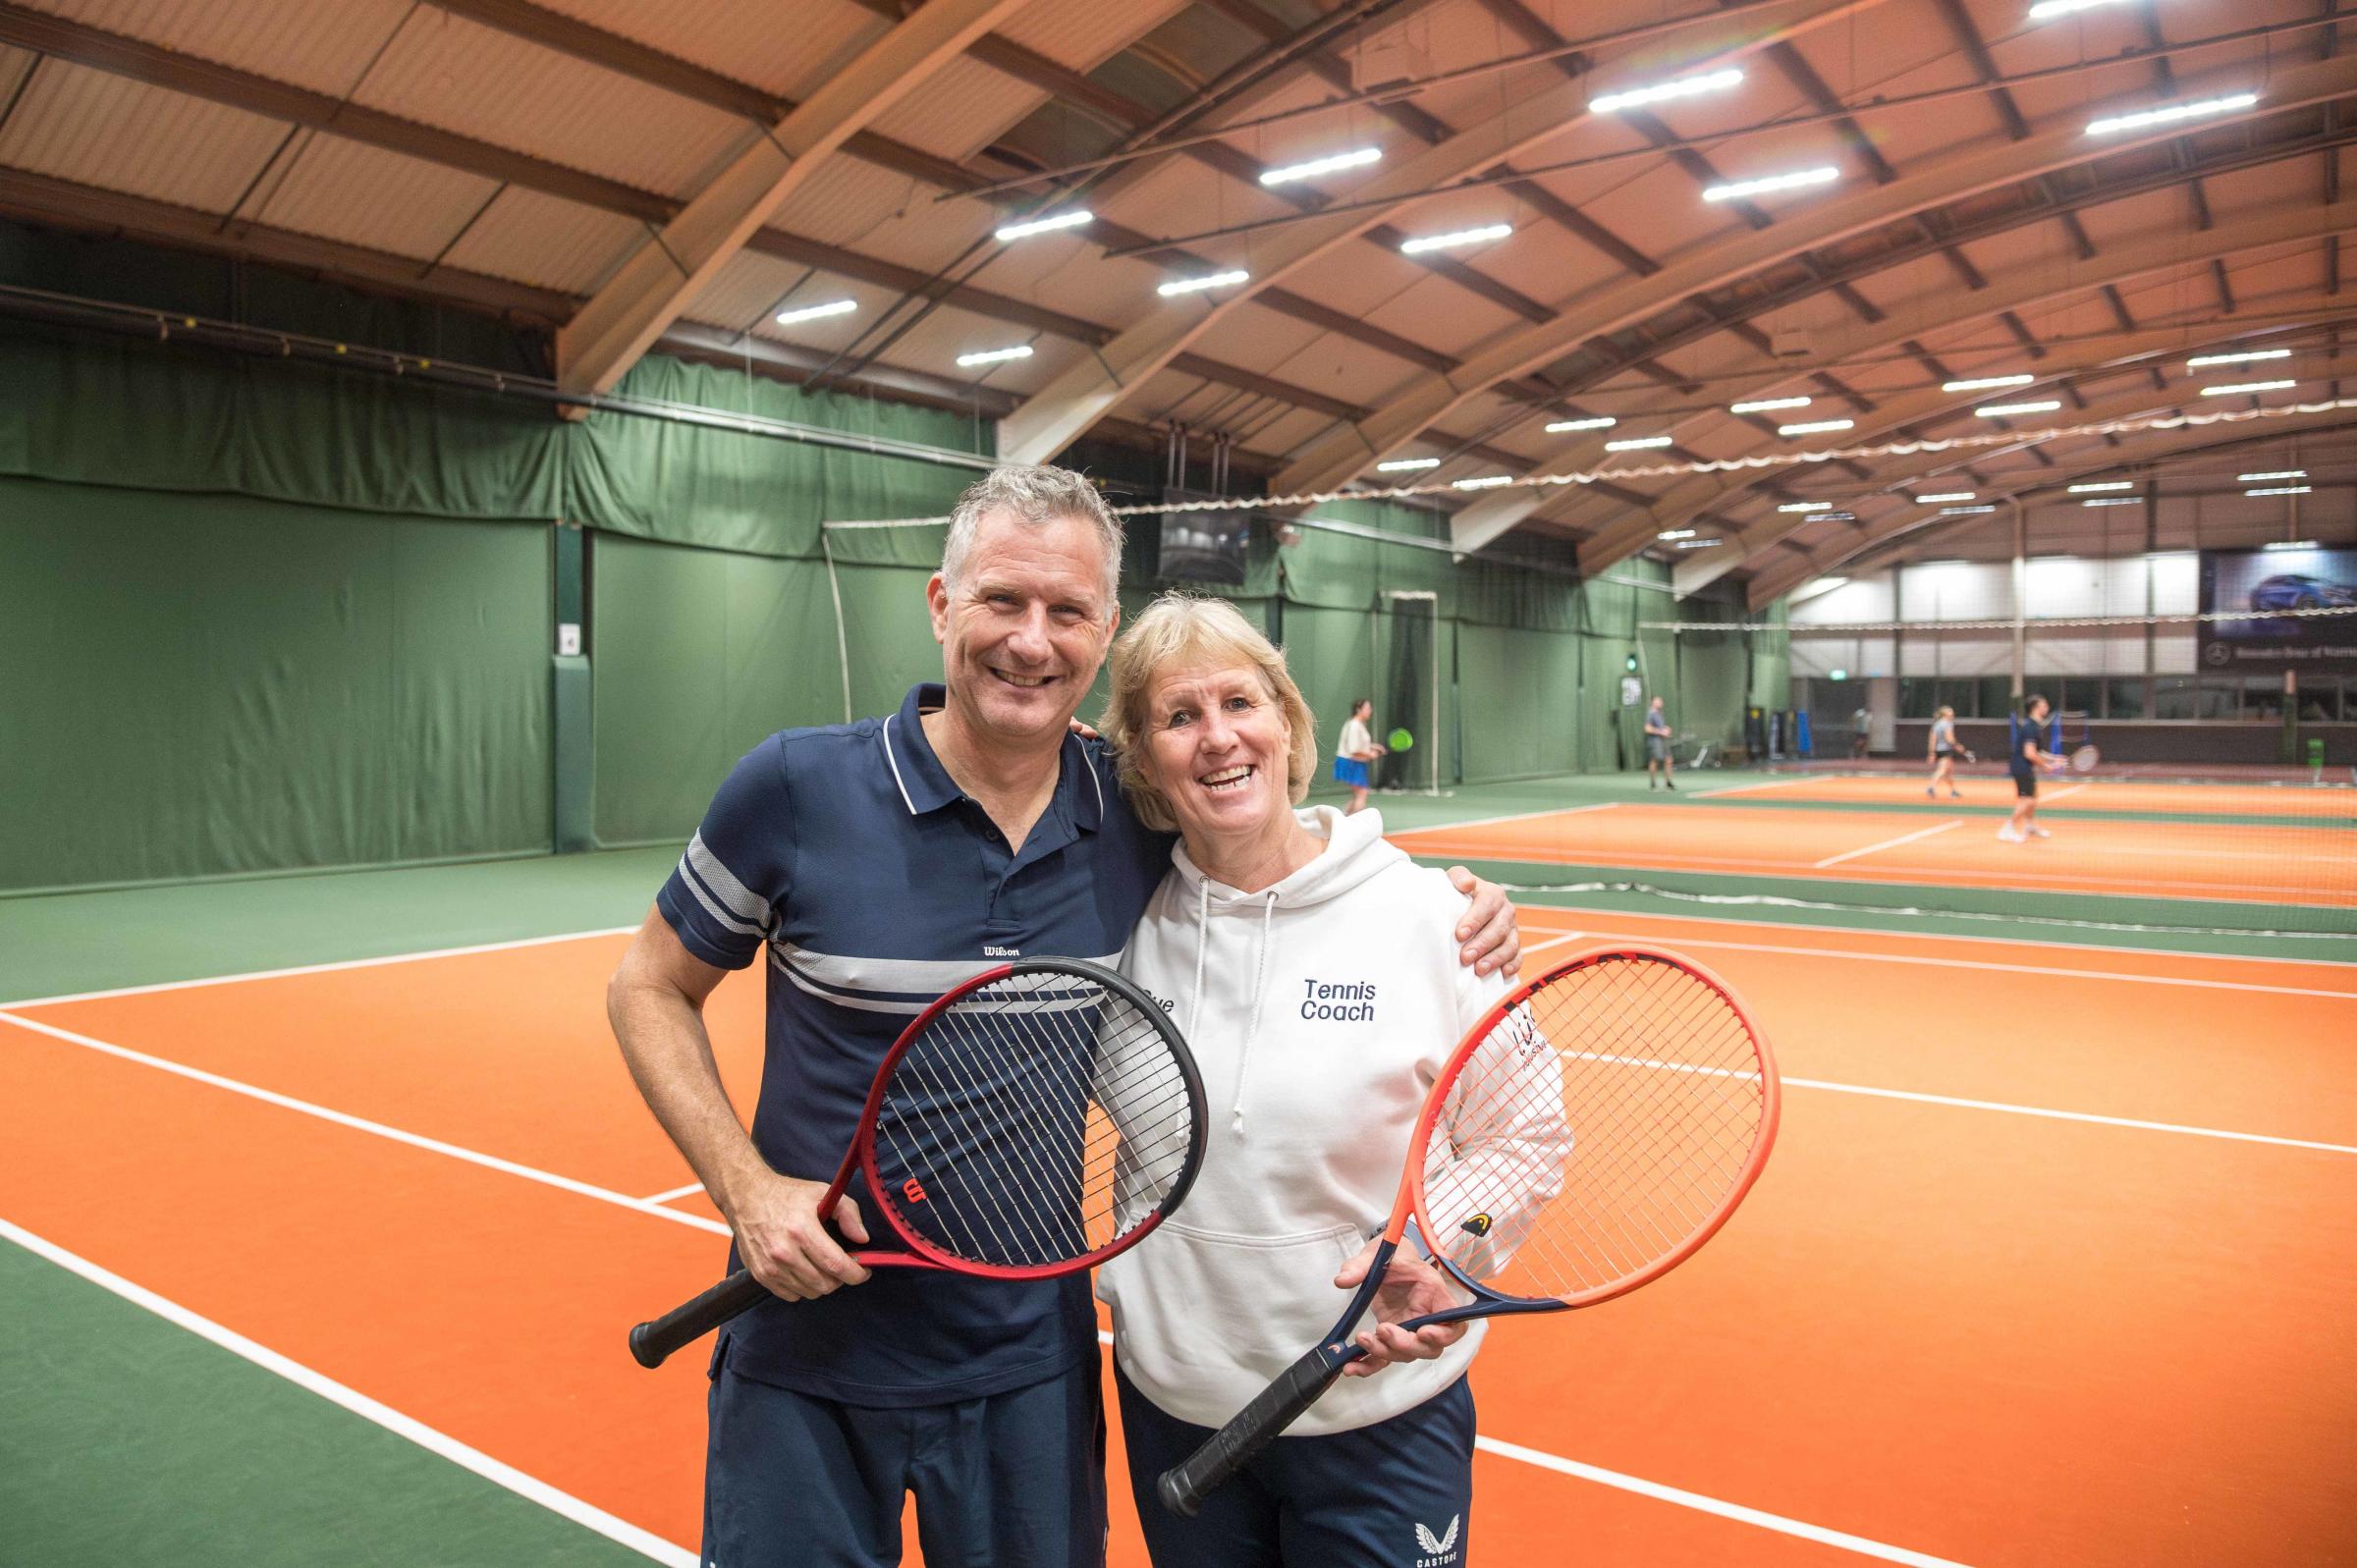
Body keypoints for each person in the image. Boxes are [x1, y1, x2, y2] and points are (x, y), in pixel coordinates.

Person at [604, 465, 1522, 1568]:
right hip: (806, 1356)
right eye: (1002, 600)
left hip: (1025, 1375)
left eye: (1067, 611)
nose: (1031, 641)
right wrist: (746, 1188)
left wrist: (1437, 902)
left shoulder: (1126, 816)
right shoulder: (794, 787)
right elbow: (647, 985)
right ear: (942, 604)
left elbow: (1263, 843)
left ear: (1102, 632)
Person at [1096, 593, 1556, 1568]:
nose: (1219, 738)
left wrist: (1447, 1247)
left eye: (1241, 703)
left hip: (1378, 1420)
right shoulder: (1122, 928)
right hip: (1179, 1412)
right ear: (1142, 756)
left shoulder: (1436, 919)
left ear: (1289, 723)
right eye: (1181, 717)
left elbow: (1525, 1139)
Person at [2000, 693, 2062, 843]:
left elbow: (2038, 751)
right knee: (2027, 800)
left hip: (2024, 767)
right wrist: (2045, 766)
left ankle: (2029, 826)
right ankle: (2008, 829)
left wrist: (2055, 758)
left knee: (2033, 798)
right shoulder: (2030, 728)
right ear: (2035, 708)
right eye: (2044, 705)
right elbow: (2030, 753)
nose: (2047, 707)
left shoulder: (2034, 726)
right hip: (2021, 767)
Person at [1333, 697, 1386, 814]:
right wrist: (1370, 754)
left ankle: (1343, 818)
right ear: (1358, 709)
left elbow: (1359, 744)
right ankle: (1354, 823)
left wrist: (1374, 747)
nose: (1370, 710)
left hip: (1355, 762)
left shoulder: (1357, 724)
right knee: (1362, 794)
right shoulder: (1354, 725)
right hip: (1350, 762)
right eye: (1367, 708)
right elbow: (1353, 749)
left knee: (1359, 794)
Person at [1926, 705, 1974, 799]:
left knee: (1949, 772)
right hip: (1946, 750)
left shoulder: (1936, 724)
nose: (1952, 713)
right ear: (1944, 714)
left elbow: (1932, 739)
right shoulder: (1948, 724)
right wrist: (1958, 746)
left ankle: (1953, 791)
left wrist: (1932, 753)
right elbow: (1950, 739)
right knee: (1942, 770)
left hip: (1939, 750)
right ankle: (1931, 787)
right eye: (1950, 712)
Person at [1643, 695, 1675, 789]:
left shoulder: (1660, 713)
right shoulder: (1650, 713)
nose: (1660, 702)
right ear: (1653, 702)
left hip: (1663, 741)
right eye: (1658, 701)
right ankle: (1653, 783)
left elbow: (1659, 727)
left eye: (1661, 701)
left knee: (1669, 760)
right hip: (1654, 741)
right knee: (1654, 760)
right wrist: (1661, 732)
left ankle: (1668, 782)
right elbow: (1647, 728)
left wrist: (1666, 729)